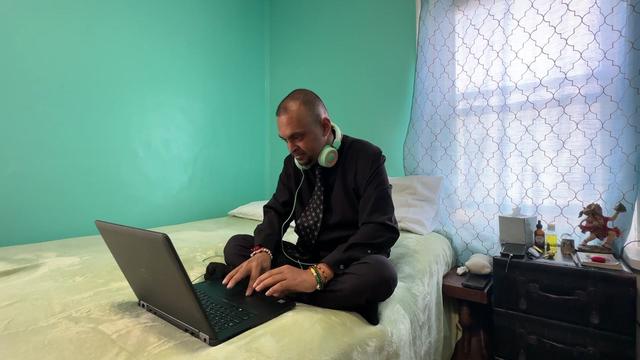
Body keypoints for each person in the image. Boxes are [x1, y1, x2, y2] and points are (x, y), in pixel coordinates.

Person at [221, 88, 399, 324]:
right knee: (237, 247)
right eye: (285, 140)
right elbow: (276, 210)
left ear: (325, 127)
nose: (291, 148)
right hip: (304, 256)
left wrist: (317, 275)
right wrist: (263, 251)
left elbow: (380, 228)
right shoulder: (293, 164)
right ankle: (306, 290)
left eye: (297, 137)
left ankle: (285, 289)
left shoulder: (367, 157)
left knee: (381, 274)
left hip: (348, 262)